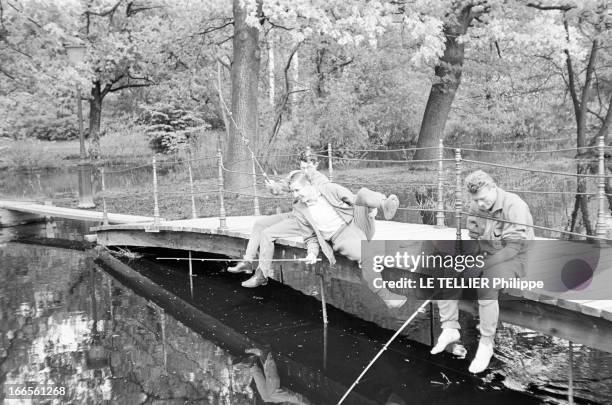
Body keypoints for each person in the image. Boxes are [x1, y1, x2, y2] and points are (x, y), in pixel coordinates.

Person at [240, 171, 406, 309]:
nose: (296, 196)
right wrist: (312, 253)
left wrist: (369, 210)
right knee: (367, 256)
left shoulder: (329, 189)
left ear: (309, 185)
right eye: (293, 192)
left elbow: (354, 199)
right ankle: (387, 296)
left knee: (362, 193)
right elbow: (310, 238)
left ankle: (385, 204)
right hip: (341, 237)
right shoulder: (300, 209)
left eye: (298, 190)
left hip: (357, 222)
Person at [430, 170, 534, 374]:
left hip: (515, 258)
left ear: (494, 188)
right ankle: (449, 327)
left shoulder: (515, 206)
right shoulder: (476, 206)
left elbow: (513, 248)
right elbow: (475, 239)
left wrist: (481, 266)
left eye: (483, 199)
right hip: (486, 254)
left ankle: (486, 344)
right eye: (476, 200)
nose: (480, 205)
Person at [227, 152, 329, 275]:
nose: (305, 171)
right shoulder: (296, 175)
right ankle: (247, 262)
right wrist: (273, 186)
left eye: (308, 168)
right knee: (260, 224)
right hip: (293, 214)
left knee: (267, 233)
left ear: (316, 165)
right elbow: (280, 188)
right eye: (303, 167)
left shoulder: (322, 181)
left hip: (305, 221)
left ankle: (262, 274)